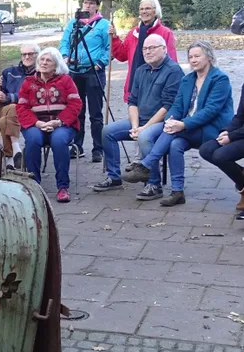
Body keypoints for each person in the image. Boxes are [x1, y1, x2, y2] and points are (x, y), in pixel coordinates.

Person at [122, 41, 233, 207]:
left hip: (210, 129)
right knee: (174, 144)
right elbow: (177, 104)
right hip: (184, 127)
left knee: (173, 133)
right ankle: (177, 191)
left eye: (197, 56)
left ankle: (146, 165)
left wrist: (181, 124)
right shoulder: (188, 79)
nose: (193, 60)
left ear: (209, 57)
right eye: (190, 57)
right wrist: (170, 120)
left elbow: (210, 111)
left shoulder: (220, 79)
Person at [92, 34, 184, 199]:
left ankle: (154, 184)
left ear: (164, 49)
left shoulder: (174, 71)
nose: (147, 52)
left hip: (163, 122)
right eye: (144, 49)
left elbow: (167, 106)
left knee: (145, 137)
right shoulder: (141, 70)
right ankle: (114, 177)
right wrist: (135, 126)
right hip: (139, 120)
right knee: (108, 131)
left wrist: (143, 128)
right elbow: (132, 101)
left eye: (152, 48)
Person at [16, 47, 83, 203]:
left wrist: (58, 122)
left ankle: (63, 187)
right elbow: (22, 107)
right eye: (42, 60)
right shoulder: (28, 82)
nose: (44, 63)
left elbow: (75, 104)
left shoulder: (66, 80)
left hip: (62, 124)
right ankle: (34, 186)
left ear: (56, 65)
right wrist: (37, 123)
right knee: (32, 140)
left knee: (59, 141)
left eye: (48, 60)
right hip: (35, 124)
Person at [59, 0, 111, 163]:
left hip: (94, 71)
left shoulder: (103, 25)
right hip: (75, 72)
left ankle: (98, 149)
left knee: (96, 114)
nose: (88, 6)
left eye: (92, 3)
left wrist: (100, 63)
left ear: (97, 6)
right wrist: (65, 57)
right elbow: (64, 43)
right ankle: (77, 146)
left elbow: (109, 47)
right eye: (86, 2)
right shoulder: (73, 23)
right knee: (76, 110)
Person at [109, 0, 178, 103]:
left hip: (157, 86)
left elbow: (172, 61)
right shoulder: (133, 33)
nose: (144, 12)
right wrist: (114, 39)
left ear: (156, 11)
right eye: (141, 9)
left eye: (148, 8)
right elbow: (122, 55)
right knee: (134, 118)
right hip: (135, 85)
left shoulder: (165, 32)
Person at [0, 43, 39, 170]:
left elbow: (32, 96)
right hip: (7, 110)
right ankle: (16, 149)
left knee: (5, 117)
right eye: (24, 54)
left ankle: (10, 157)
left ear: (37, 55)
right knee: (10, 109)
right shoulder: (9, 72)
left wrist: (8, 97)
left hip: (30, 113)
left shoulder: (40, 74)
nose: (26, 57)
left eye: (30, 54)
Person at [200, 81, 244, 219]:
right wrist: (227, 131)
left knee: (221, 156)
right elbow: (240, 116)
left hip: (240, 134)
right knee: (207, 149)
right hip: (240, 133)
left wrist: (232, 136)